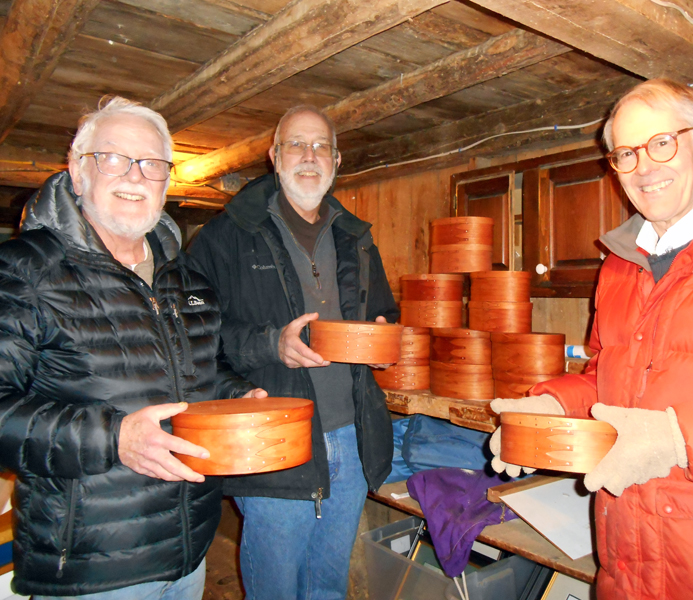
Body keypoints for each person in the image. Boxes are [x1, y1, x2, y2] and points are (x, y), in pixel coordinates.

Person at [490, 78, 693, 599]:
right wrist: (552, 406)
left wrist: (680, 437)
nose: (643, 168)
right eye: (625, 154)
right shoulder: (618, 265)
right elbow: (607, 376)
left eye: (662, 143)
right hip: (628, 563)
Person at [0, 97, 267, 599]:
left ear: (166, 182)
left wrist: (237, 396)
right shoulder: (22, 270)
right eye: (114, 157)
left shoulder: (187, 277)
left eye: (152, 164)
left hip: (189, 551)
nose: (135, 176)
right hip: (91, 567)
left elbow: (207, 369)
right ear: (78, 172)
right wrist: (115, 438)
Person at [190, 105, 399, 600]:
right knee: (276, 587)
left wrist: (383, 340)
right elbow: (192, 334)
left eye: (321, 146)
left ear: (337, 159)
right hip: (272, 434)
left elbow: (384, 312)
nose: (310, 156)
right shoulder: (225, 237)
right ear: (274, 155)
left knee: (328, 583)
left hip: (350, 436)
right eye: (297, 145)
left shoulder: (357, 238)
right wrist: (270, 343)